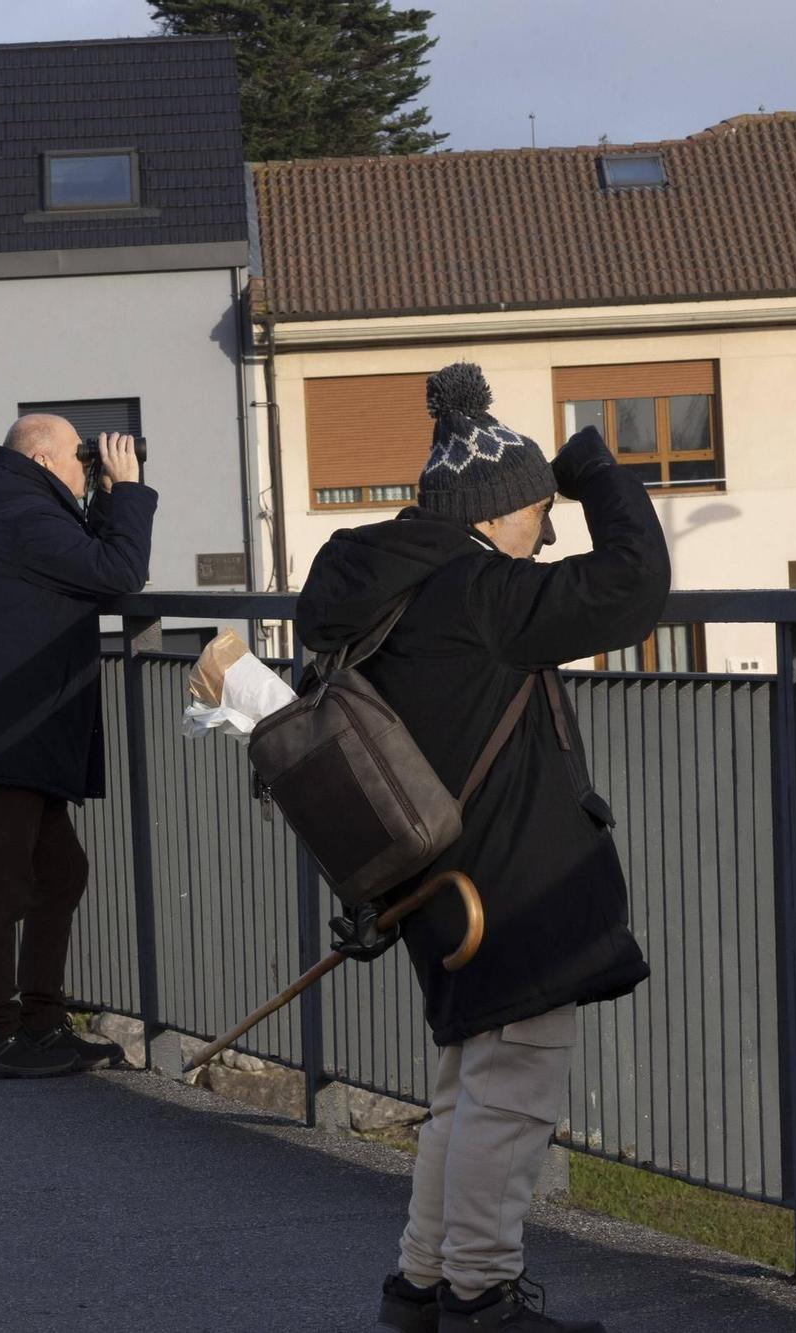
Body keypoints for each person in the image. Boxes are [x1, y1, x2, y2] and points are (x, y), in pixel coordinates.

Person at [295, 363, 669, 1333]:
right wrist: (591, 465)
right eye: (537, 512)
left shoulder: (384, 588)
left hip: (437, 882)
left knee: (469, 1087)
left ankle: (421, 1282)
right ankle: (479, 1293)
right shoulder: (479, 596)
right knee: (508, 1095)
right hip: (511, 885)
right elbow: (635, 583)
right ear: (496, 507)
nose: (542, 533)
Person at [0, 416, 155, 1080]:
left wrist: (107, 496)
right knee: (6, 877)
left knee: (59, 871)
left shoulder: (21, 507)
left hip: (20, 726)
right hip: (9, 727)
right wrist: (127, 491)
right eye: (78, 459)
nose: (86, 467)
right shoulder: (22, 516)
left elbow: (88, 556)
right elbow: (120, 570)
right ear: (40, 457)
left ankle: (39, 1020)